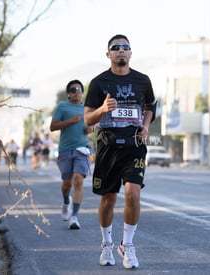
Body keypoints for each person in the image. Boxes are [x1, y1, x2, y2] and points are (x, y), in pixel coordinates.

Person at [84, 34, 156, 269]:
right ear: (109, 54)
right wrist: (103, 109)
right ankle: (107, 244)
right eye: (116, 48)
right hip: (108, 146)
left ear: (131, 53)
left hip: (134, 146)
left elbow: (149, 106)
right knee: (109, 199)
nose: (121, 51)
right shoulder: (98, 82)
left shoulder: (143, 80)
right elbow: (87, 118)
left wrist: (145, 125)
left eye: (125, 47)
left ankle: (129, 245)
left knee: (133, 194)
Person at [50, 79, 94, 230]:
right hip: (65, 150)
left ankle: (74, 217)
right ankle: (65, 201)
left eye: (79, 90)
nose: (77, 92)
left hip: (82, 149)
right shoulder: (62, 106)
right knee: (67, 183)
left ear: (82, 93)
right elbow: (52, 126)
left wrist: (90, 129)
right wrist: (70, 121)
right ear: (69, 94)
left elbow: (91, 126)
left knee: (78, 180)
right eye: (73, 90)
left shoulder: (87, 109)